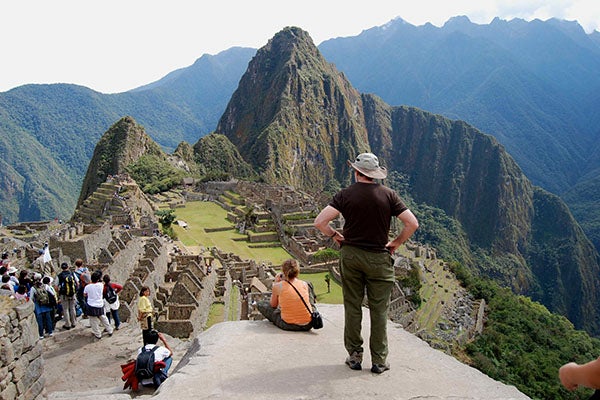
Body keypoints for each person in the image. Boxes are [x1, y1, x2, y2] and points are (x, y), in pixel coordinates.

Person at [314, 152, 419, 374]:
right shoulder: (389, 195)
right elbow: (412, 223)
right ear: (375, 175)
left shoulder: (345, 195)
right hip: (379, 257)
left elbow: (320, 222)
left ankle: (354, 356)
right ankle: (379, 360)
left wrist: (335, 235)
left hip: (351, 255)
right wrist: (396, 243)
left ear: (356, 172)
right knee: (379, 310)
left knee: (353, 306)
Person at [257, 259, 315, 331]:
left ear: (283, 272)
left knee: (261, 304)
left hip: (288, 324)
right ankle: (312, 310)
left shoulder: (278, 286)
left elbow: (273, 305)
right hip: (308, 324)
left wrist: (276, 283)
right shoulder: (304, 284)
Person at [83, 270, 113, 339]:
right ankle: (110, 330)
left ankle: (98, 334)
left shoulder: (87, 287)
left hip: (91, 305)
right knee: (103, 318)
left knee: (93, 321)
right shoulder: (101, 285)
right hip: (99, 304)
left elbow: (85, 295)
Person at [55, 262, 79, 330]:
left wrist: (59, 293)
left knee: (65, 309)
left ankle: (68, 324)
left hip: (64, 295)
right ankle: (74, 322)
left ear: (61, 268)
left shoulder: (59, 276)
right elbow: (77, 283)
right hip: (72, 293)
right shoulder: (72, 273)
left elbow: (56, 286)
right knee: (72, 308)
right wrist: (75, 291)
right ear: (67, 267)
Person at [29, 275, 54, 339]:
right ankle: (50, 332)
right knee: (48, 319)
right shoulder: (45, 286)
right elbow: (52, 293)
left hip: (38, 306)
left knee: (40, 320)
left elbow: (31, 298)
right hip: (46, 305)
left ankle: (41, 335)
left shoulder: (33, 288)